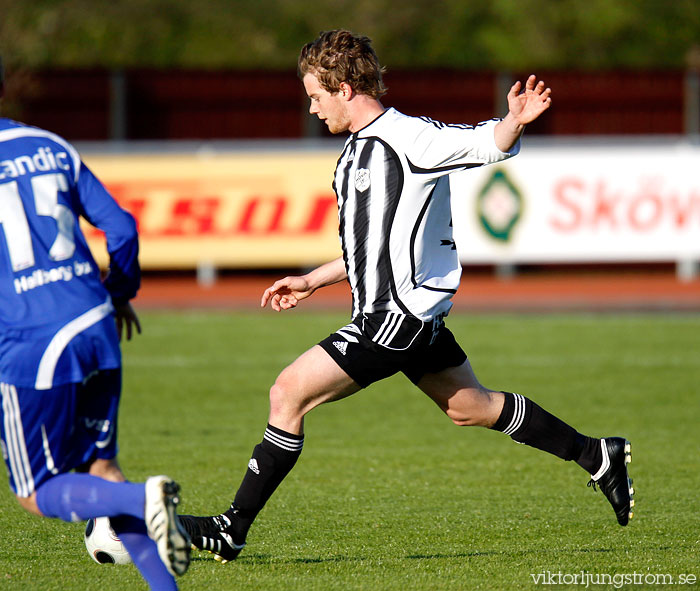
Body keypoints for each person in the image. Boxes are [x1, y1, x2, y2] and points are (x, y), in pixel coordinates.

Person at [180, 30, 634, 562]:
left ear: (345, 88)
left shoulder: (409, 138)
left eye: (316, 95)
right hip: (408, 320)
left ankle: (231, 528)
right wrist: (310, 280)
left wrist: (513, 121)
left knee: (288, 393)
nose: (311, 107)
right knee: (473, 408)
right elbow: (370, 249)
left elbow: (483, 142)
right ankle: (598, 455)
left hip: (397, 319)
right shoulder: (352, 155)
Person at [0, 59, 190, 589]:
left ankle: (141, 497)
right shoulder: (49, 146)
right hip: (94, 317)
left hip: (29, 337)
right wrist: (120, 293)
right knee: (101, 467)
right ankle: (163, 583)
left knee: (36, 492)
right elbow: (121, 226)